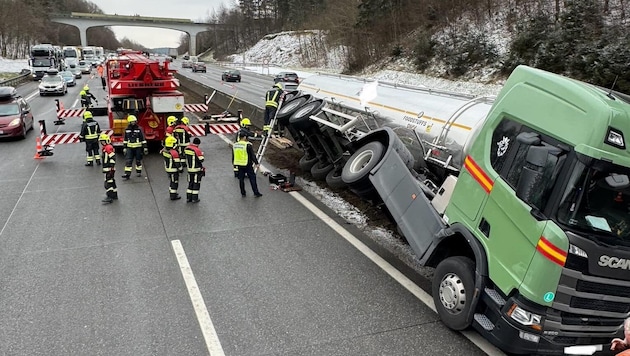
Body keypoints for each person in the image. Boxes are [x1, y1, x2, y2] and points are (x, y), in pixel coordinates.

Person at [233, 131, 263, 198]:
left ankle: (243, 193)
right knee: (252, 178)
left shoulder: (235, 145)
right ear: (244, 137)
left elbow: (233, 156)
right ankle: (256, 192)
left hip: (239, 164)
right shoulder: (248, 145)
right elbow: (252, 155)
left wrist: (234, 164)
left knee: (241, 179)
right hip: (247, 164)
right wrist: (256, 163)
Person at [121, 114, 148, 179]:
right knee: (128, 161)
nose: (133, 122)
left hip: (138, 148)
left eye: (134, 121)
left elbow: (143, 139)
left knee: (138, 160)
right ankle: (127, 174)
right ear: (129, 122)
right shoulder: (127, 129)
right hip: (129, 148)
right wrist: (124, 148)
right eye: (132, 121)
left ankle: (138, 172)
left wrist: (145, 147)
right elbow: (125, 139)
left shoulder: (139, 129)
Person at [160, 136, 182, 200]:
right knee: (174, 182)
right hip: (173, 170)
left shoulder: (164, 151)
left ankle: (172, 192)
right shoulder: (174, 153)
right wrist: (180, 169)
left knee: (171, 181)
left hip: (168, 169)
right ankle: (173, 195)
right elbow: (177, 163)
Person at [184, 137, 205, 203]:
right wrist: (202, 154)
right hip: (196, 170)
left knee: (190, 183)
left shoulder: (187, 148)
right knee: (196, 184)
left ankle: (188, 198)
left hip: (189, 170)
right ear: (198, 144)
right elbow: (201, 159)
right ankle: (194, 198)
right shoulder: (197, 150)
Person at [99, 133, 118, 204]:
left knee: (108, 183)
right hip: (109, 169)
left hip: (108, 169)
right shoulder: (106, 147)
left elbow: (112, 157)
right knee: (112, 182)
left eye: (103, 141)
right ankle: (114, 195)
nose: (102, 143)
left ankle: (109, 197)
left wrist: (111, 167)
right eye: (101, 141)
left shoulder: (108, 147)